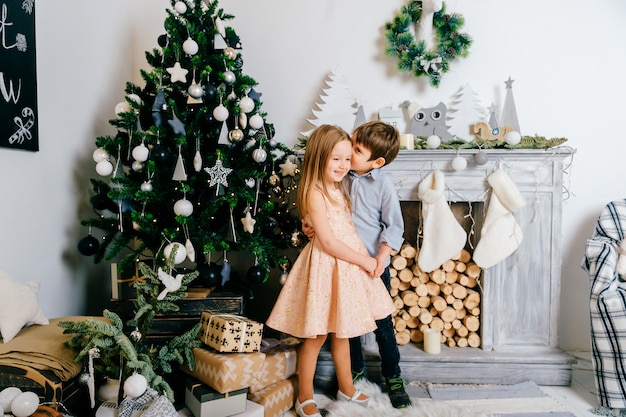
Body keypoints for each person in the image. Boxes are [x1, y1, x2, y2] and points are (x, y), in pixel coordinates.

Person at [266, 124, 396, 417]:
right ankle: (305, 396)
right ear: (318, 158)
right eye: (335, 159)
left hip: (346, 272)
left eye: (347, 159)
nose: (343, 165)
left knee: (342, 333)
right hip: (326, 268)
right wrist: (364, 261)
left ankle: (347, 388)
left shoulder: (340, 185)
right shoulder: (315, 191)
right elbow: (327, 240)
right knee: (316, 337)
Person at [303, 120, 411, 408]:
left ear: (376, 162)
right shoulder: (340, 175)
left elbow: (394, 226)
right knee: (346, 321)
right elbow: (324, 210)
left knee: (382, 323)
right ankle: (354, 370)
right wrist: (309, 223)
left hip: (372, 264)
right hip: (344, 263)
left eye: (357, 149)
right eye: (352, 142)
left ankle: (393, 375)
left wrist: (380, 259)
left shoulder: (383, 185)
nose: (349, 151)